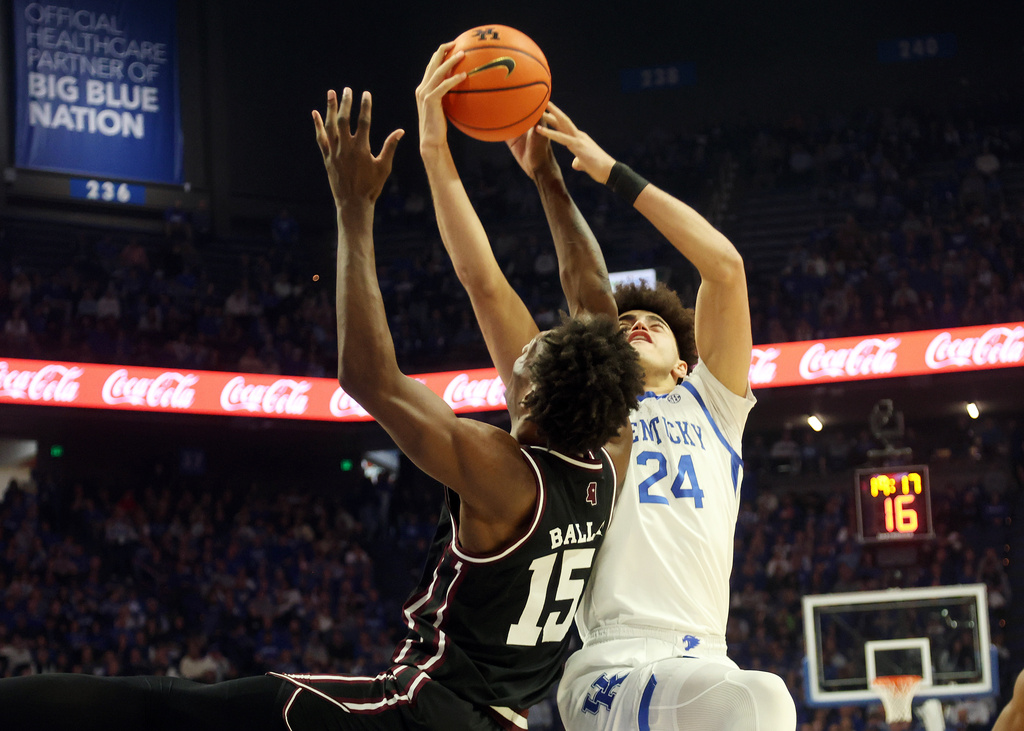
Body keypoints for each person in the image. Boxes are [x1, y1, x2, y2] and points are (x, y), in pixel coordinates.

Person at [0, 86, 645, 731]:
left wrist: (354, 209)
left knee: (165, 707)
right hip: (504, 720)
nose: (524, 345)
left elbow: (371, 378)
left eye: (530, 354)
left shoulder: (503, 473)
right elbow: (570, 298)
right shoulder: (609, 458)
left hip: (423, 712)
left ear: (529, 397)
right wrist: (530, 172)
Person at [416, 42, 797, 731]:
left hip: (706, 661)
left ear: (687, 363)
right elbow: (486, 282)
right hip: (612, 666)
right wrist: (439, 152)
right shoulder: (585, 415)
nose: (636, 325)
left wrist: (600, 171)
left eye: (653, 321)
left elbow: (726, 266)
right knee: (765, 702)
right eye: (625, 322)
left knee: (752, 696)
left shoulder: (715, 406)